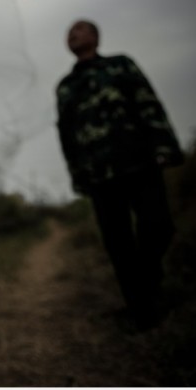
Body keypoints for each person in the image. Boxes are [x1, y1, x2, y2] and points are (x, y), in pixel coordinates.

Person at [56, 20, 184, 328]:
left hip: (139, 162)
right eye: (69, 33)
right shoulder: (66, 86)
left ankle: (149, 279)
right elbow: (67, 134)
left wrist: (164, 145)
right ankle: (140, 312)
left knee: (159, 225)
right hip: (99, 175)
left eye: (80, 29)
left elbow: (148, 103)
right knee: (118, 242)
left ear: (96, 37)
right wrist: (77, 174)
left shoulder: (120, 66)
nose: (73, 34)